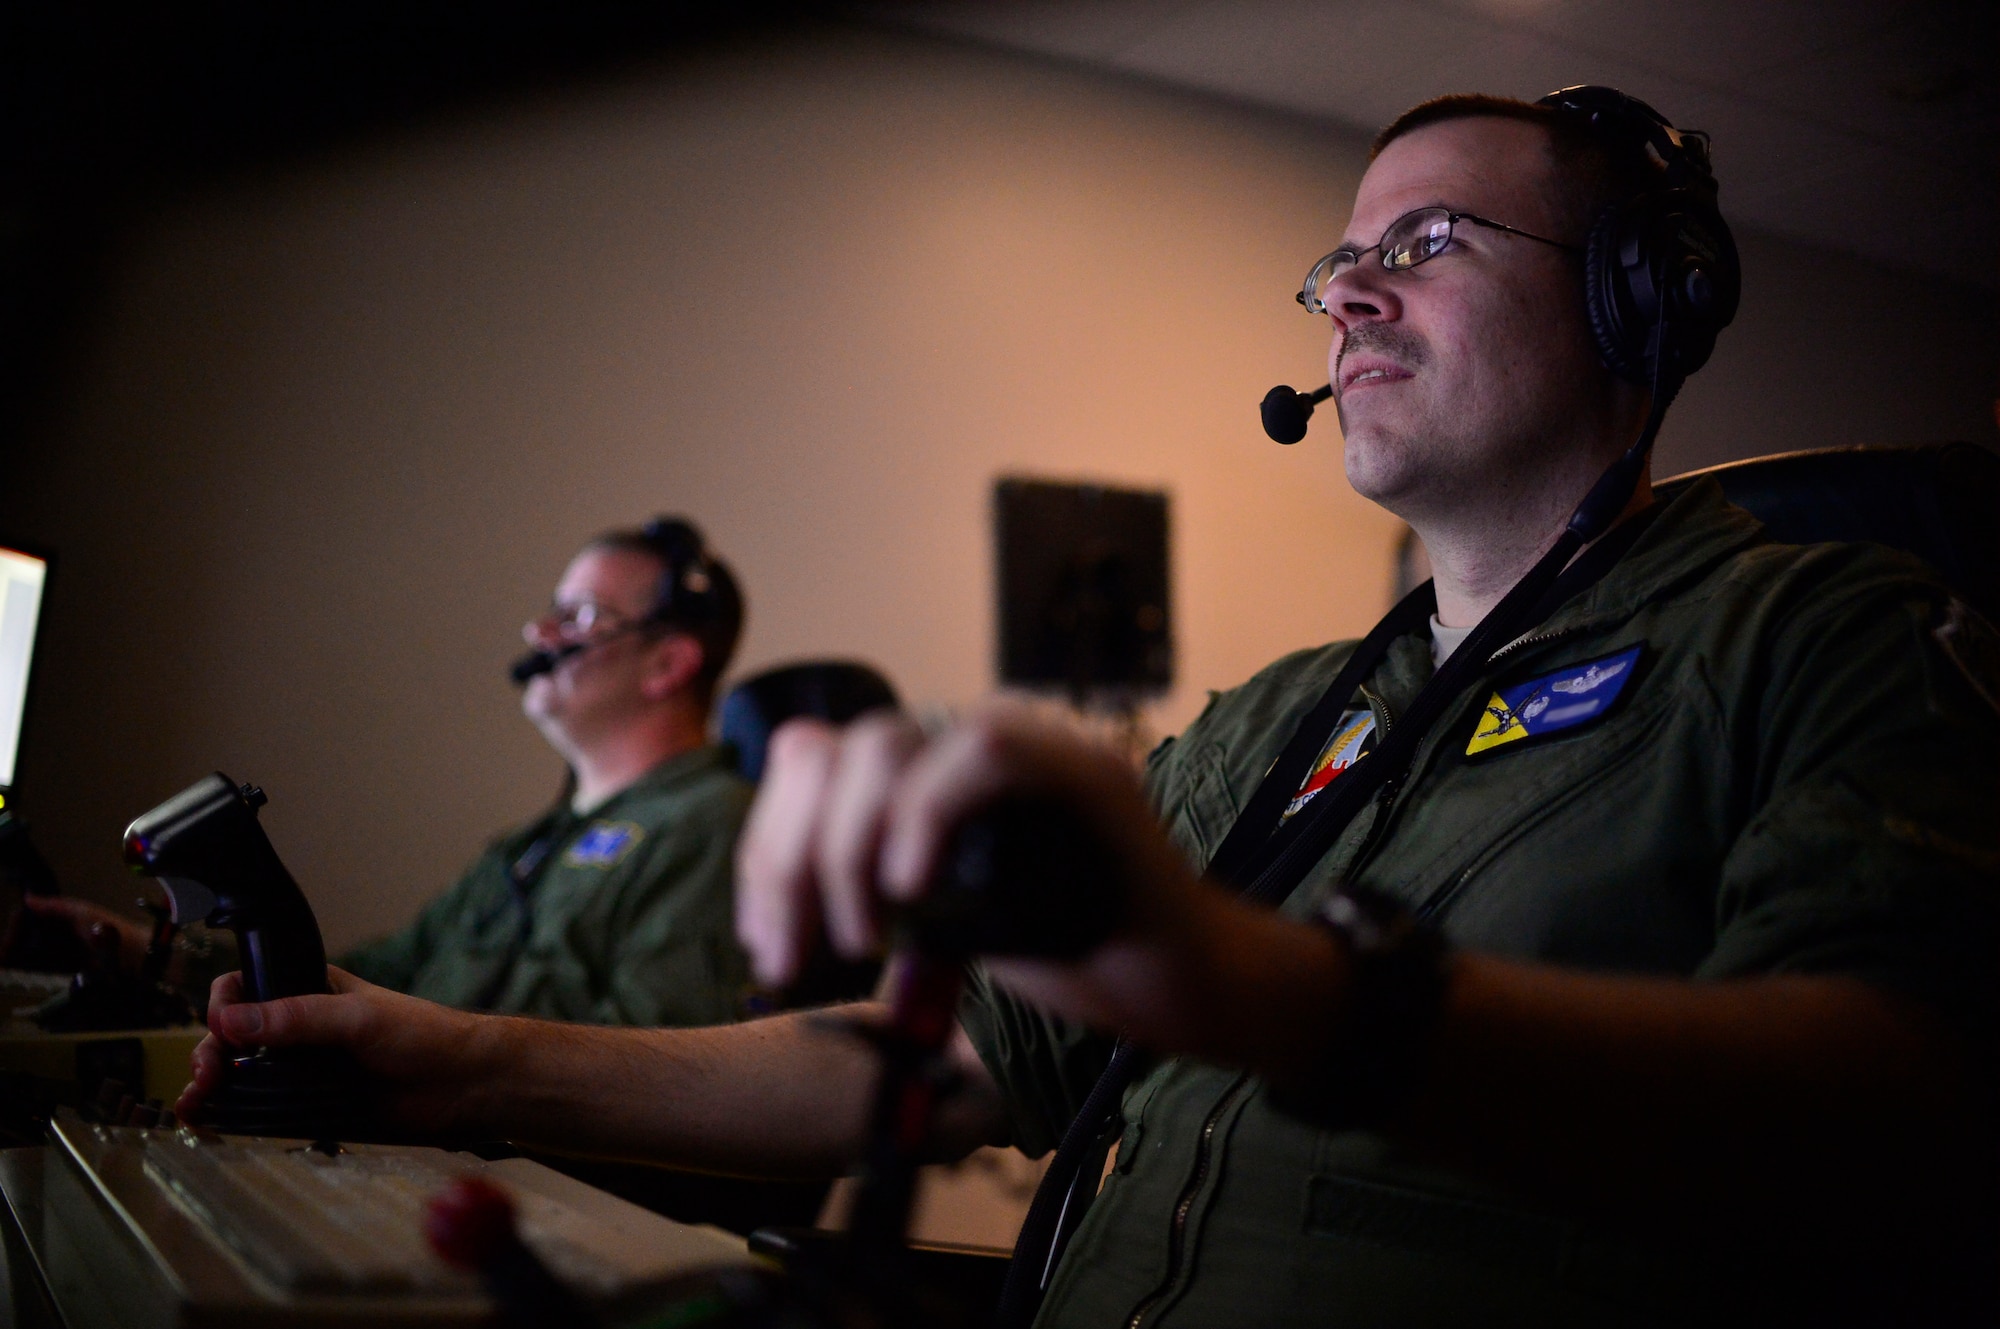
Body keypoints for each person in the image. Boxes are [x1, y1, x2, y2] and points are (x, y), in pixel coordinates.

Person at [181, 92, 1997, 1326]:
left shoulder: (1824, 632)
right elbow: (957, 1061)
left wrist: (1273, 983)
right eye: (1337, 258)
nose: (1346, 289)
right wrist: (449, 1055)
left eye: (1430, 239)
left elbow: (1900, 1107)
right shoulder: (1289, 717)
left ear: (1639, 300)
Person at [47, 517, 757, 1028]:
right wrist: (157, 957)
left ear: (668, 662)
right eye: (551, 610)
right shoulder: (527, 847)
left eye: (579, 615)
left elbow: (659, 1058)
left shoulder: (713, 822)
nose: (539, 634)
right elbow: (377, 976)